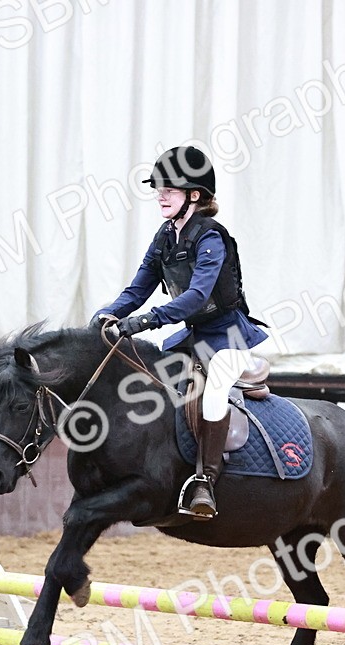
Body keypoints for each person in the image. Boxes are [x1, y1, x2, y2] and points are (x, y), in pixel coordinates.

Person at [90, 146, 267, 519]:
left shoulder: (211, 238)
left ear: (195, 195)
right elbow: (138, 289)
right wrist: (107, 314)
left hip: (229, 337)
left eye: (169, 188)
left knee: (215, 389)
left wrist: (146, 320)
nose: (160, 195)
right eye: (159, 189)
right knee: (149, 381)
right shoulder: (166, 236)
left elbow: (196, 296)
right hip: (192, 337)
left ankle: (206, 481)